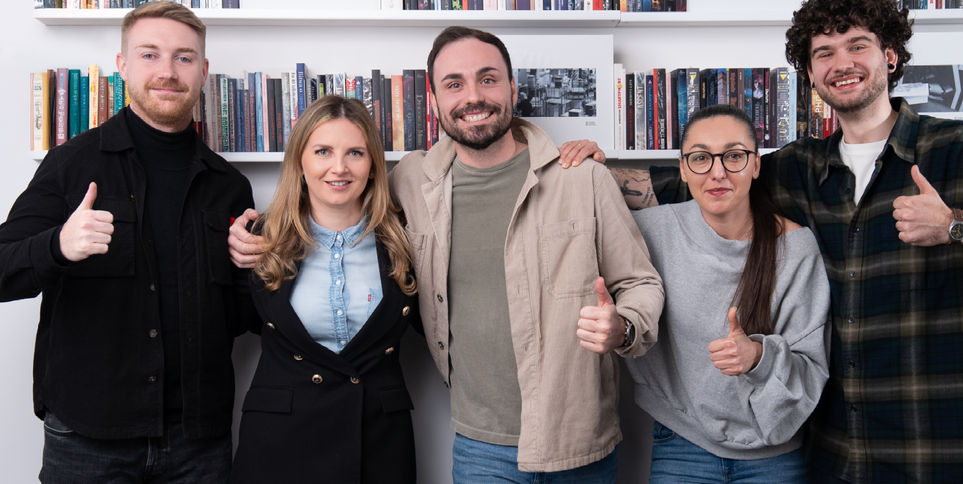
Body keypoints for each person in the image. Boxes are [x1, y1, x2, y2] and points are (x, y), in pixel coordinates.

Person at [561, 0, 963, 484]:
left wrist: (956, 224)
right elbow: (699, 181)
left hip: (956, 444)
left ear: (890, 56)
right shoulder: (796, 168)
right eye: (824, 53)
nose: (842, 63)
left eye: (857, 45)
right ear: (811, 75)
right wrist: (592, 170)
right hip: (843, 453)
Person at [229, 26, 665, 482]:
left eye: (488, 79)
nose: (473, 96)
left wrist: (623, 326)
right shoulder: (412, 181)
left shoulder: (580, 176)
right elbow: (334, 199)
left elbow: (641, 280)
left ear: (513, 89)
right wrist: (256, 230)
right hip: (480, 445)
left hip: (578, 438)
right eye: (454, 84)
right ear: (434, 101)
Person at [0, 1, 253, 483]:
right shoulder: (71, 166)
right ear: (122, 65)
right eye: (150, 54)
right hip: (88, 439)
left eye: (184, 57)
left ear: (203, 71)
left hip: (198, 442)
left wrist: (258, 270)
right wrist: (58, 245)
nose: (167, 71)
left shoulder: (228, 186)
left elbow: (243, 319)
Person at [626, 104, 830, 484]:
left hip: (775, 455)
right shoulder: (650, 232)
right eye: (701, 158)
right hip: (682, 444)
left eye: (734, 156)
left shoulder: (796, 248)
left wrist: (758, 357)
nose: (717, 172)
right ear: (683, 168)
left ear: (756, 165)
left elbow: (811, 369)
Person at [230, 95, 420, 484]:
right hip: (280, 443)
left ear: (373, 166)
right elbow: (234, 320)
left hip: (378, 442)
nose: (339, 167)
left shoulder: (405, 238)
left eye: (355, 153)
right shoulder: (257, 238)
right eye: (323, 152)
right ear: (300, 162)